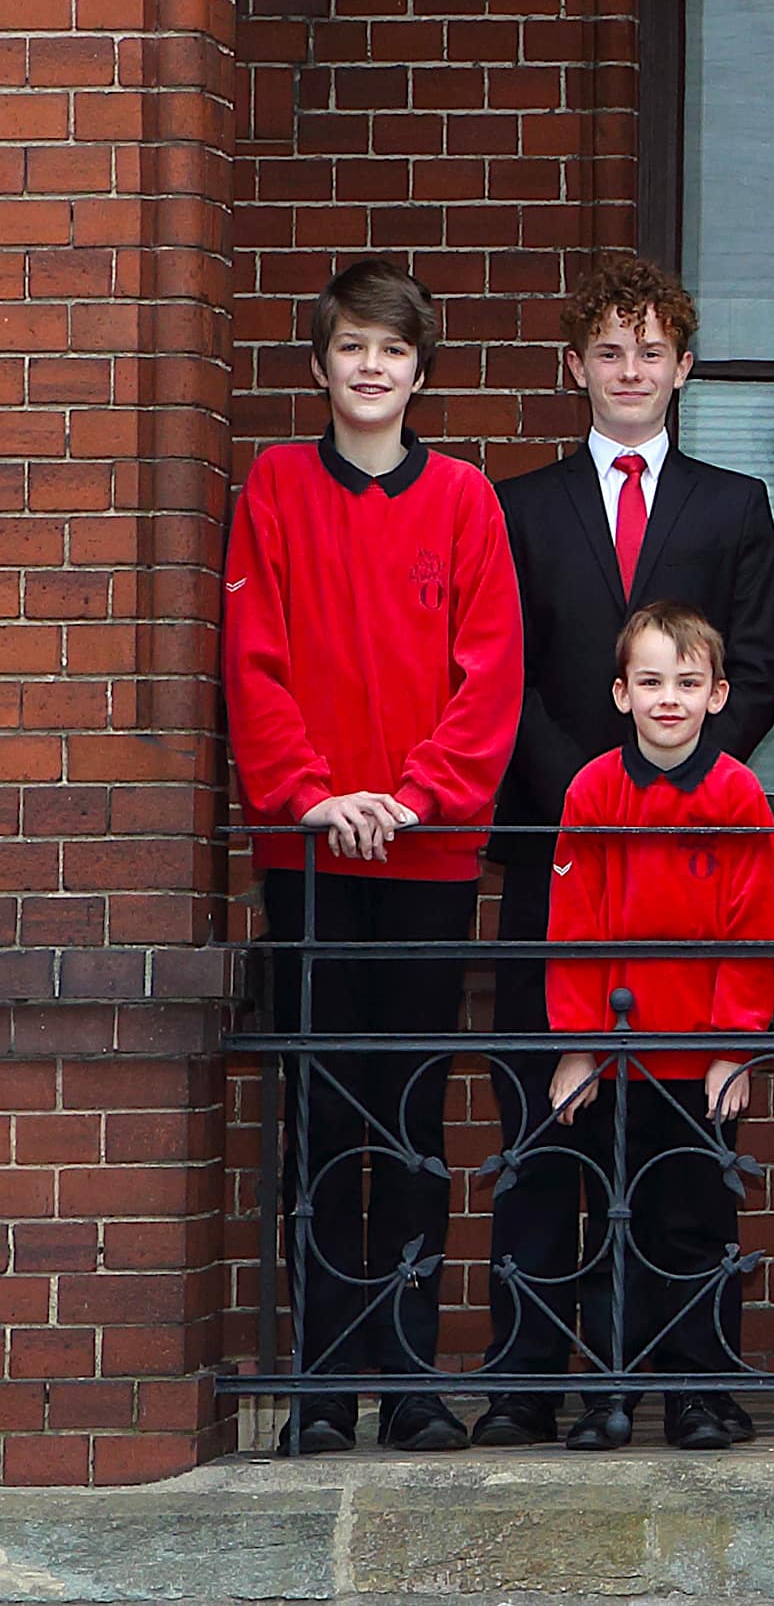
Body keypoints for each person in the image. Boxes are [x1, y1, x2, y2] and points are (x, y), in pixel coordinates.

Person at [224, 257, 522, 1455]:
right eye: (351, 346)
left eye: (392, 350)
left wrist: (411, 796)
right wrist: (313, 795)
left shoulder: (463, 498)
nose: (371, 367)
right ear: (322, 363)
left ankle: (407, 1379)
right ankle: (319, 1384)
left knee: (409, 1118)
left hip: (426, 856)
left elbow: (487, 674)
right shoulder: (277, 485)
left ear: (418, 368)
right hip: (310, 858)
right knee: (320, 1117)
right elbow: (256, 659)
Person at [473, 256, 772, 1449]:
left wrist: (678, 785)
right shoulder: (521, 504)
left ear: (684, 366)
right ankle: (528, 1382)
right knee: (546, 1148)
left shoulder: (733, 501)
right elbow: (505, 671)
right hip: (561, 864)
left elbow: (752, 666)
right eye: (610, 349)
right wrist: (591, 795)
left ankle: (692, 1381)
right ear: (576, 367)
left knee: (687, 1163)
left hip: (697, 877)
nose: (631, 368)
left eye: (652, 350)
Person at [529, 605, 774, 1455]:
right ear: (620, 691)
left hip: (698, 1061)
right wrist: (579, 1045)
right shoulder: (594, 789)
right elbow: (574, 923)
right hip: (620, 1059)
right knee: (616, 1223)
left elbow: (754, 927)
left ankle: (700, 1395)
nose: (666, 698)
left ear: (716, 694)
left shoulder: (737, 793)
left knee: (698, 1228)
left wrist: (733, 1046)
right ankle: (611, 1391)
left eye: (685, 682)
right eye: (649, 682)